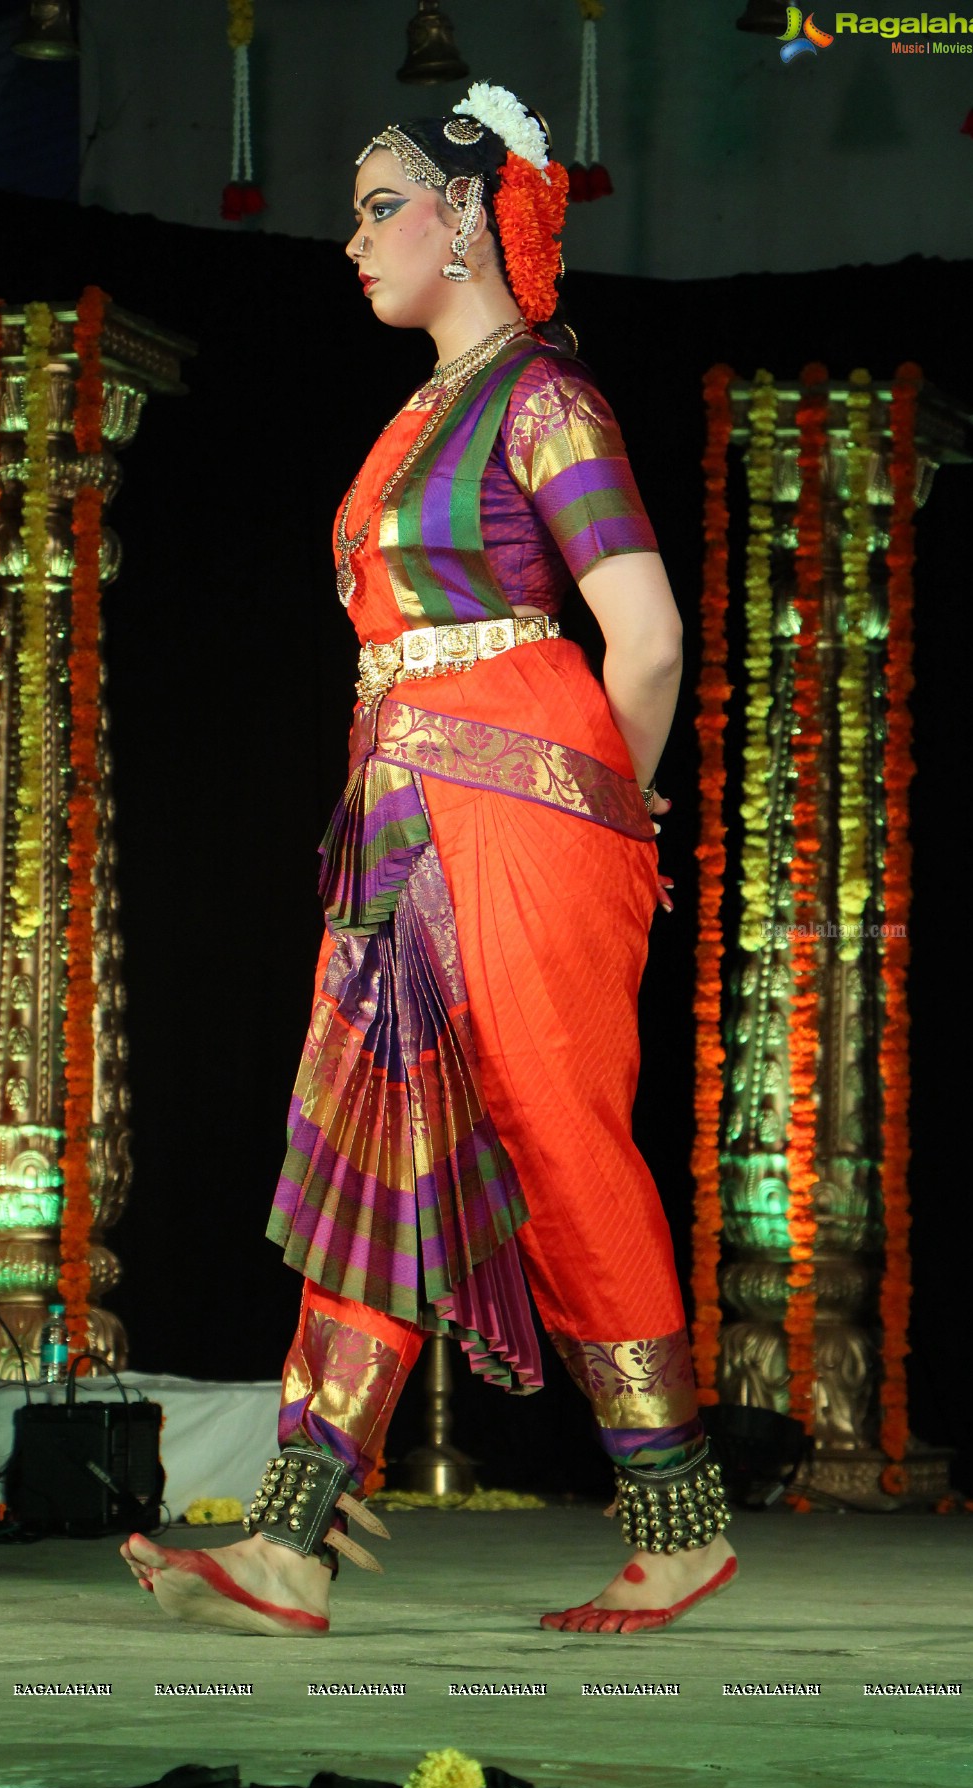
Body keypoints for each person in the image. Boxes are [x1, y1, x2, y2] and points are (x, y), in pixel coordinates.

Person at [122, 84, 737, 1634]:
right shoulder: (422, 412)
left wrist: (615, 801)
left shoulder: (545, 397)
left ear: (467, 212)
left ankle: (679, 1518)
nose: (349, 239)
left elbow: (648, 640)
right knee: (371, 1149)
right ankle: (290, 1539)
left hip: (523, 810)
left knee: (556, 1135)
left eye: (375, 203)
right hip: (400, 822)